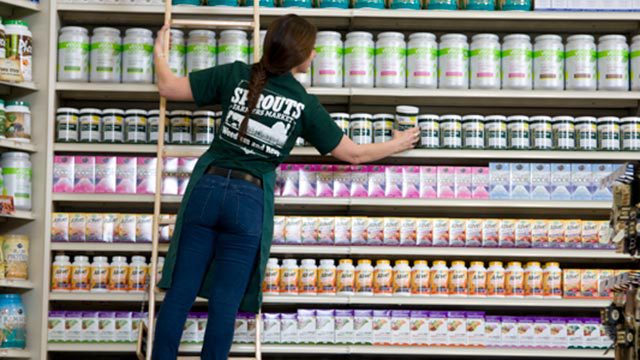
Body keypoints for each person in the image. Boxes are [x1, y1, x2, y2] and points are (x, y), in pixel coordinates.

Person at [152, 14, 419, 360]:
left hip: (208, 187)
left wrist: (160, 52)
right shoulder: (304, 104)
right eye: (312, 50)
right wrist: (396, 144)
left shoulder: (234, 74)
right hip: (249, 203)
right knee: (225, 304)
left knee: (180, 294)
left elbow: (169, 87)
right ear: (300, 57)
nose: (314, 56)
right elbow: (352, 153)